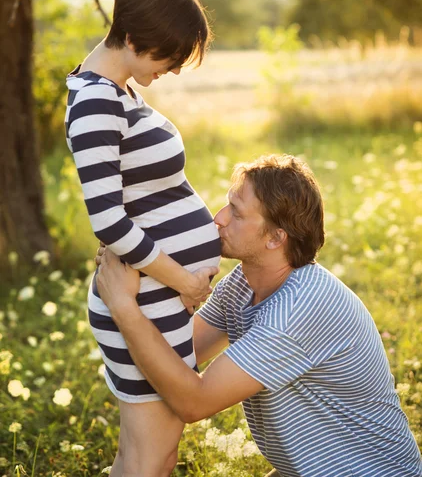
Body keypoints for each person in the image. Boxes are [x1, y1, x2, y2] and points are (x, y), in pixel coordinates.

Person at [96, 154, 422, 477]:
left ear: (276, 237)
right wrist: (153, 269)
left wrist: (124, 307)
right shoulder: (242, 283)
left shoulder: (301, 308)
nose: (219, 219)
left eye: (236, 213)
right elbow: (181, 351)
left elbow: (193, 403)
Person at [65, 0, 221, 477]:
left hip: (158, 299)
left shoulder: (115, 92)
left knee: (147, 456)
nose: (172, 69)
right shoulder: (95, 102)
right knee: (150, 459)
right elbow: (108, 220)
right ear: (132, 39)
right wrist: (184, 280)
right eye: (168, 57)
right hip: (151, 298)